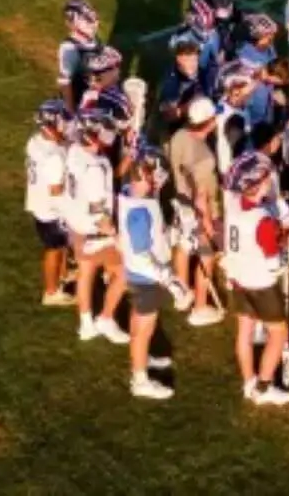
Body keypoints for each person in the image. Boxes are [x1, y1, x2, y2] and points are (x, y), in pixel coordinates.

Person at [119, 146, 193, 399]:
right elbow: (142, 256)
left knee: (139, 325)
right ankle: (140, 380)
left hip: (140, 275)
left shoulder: (132, 196)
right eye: (153, 175)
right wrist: (168, 279)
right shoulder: (139, 211)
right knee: (144, 329)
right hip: (146, 277)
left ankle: (141, 360)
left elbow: (153, 238)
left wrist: (175, 232)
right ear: (142, 176)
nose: (158, 180)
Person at [222, 151, 289, 405]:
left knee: (245, 329)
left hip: (238, 276)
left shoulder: (233, 202)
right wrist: (284, 244)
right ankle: (263, 387)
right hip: (261, 282)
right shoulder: (262, 219)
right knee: (278, 333)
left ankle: (248, 381)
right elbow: (273, 262)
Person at [63, 110, 129, 345]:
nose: (108, 135)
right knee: (125, 272)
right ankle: (106, 318)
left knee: (86, 272)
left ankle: (86, 324)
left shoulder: (74, 151)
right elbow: (99, 213)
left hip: (76, 222)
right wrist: (115, 234)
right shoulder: (94, 168)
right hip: (95, 230)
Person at [167, 95, 227, 327]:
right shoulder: (204, 157)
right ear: (209, 122)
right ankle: (200, 307)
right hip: (200, 210)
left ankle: (182, 293)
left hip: (181, 202)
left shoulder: (179, 136)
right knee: (206, 256)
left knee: (183, 246)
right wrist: (208, 223)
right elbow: (202, 196)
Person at [26, 99, 73, 305]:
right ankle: (51, 292)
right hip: (52, 209)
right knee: (54, 248)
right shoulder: (55, 156)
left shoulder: (35, 141)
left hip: (39, 202)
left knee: (60, 246)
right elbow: (56, 190)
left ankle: (63, 274)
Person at [57, 0, 103, 109]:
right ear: (73, 23)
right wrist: (70, 111)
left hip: (98, 98)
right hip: (81, 105)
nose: (94, 23)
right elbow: (65, 82)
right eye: (87, 19)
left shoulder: (95, 41)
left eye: (93, 18)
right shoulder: (69, 48)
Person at [156, 36, 206, 137]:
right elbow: (168, 115)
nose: (193, 65)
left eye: (194, 60)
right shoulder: (171, 82)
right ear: (178, 59)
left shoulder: (203, 71)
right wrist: (188, 107)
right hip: (180, 129)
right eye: (188, 60)